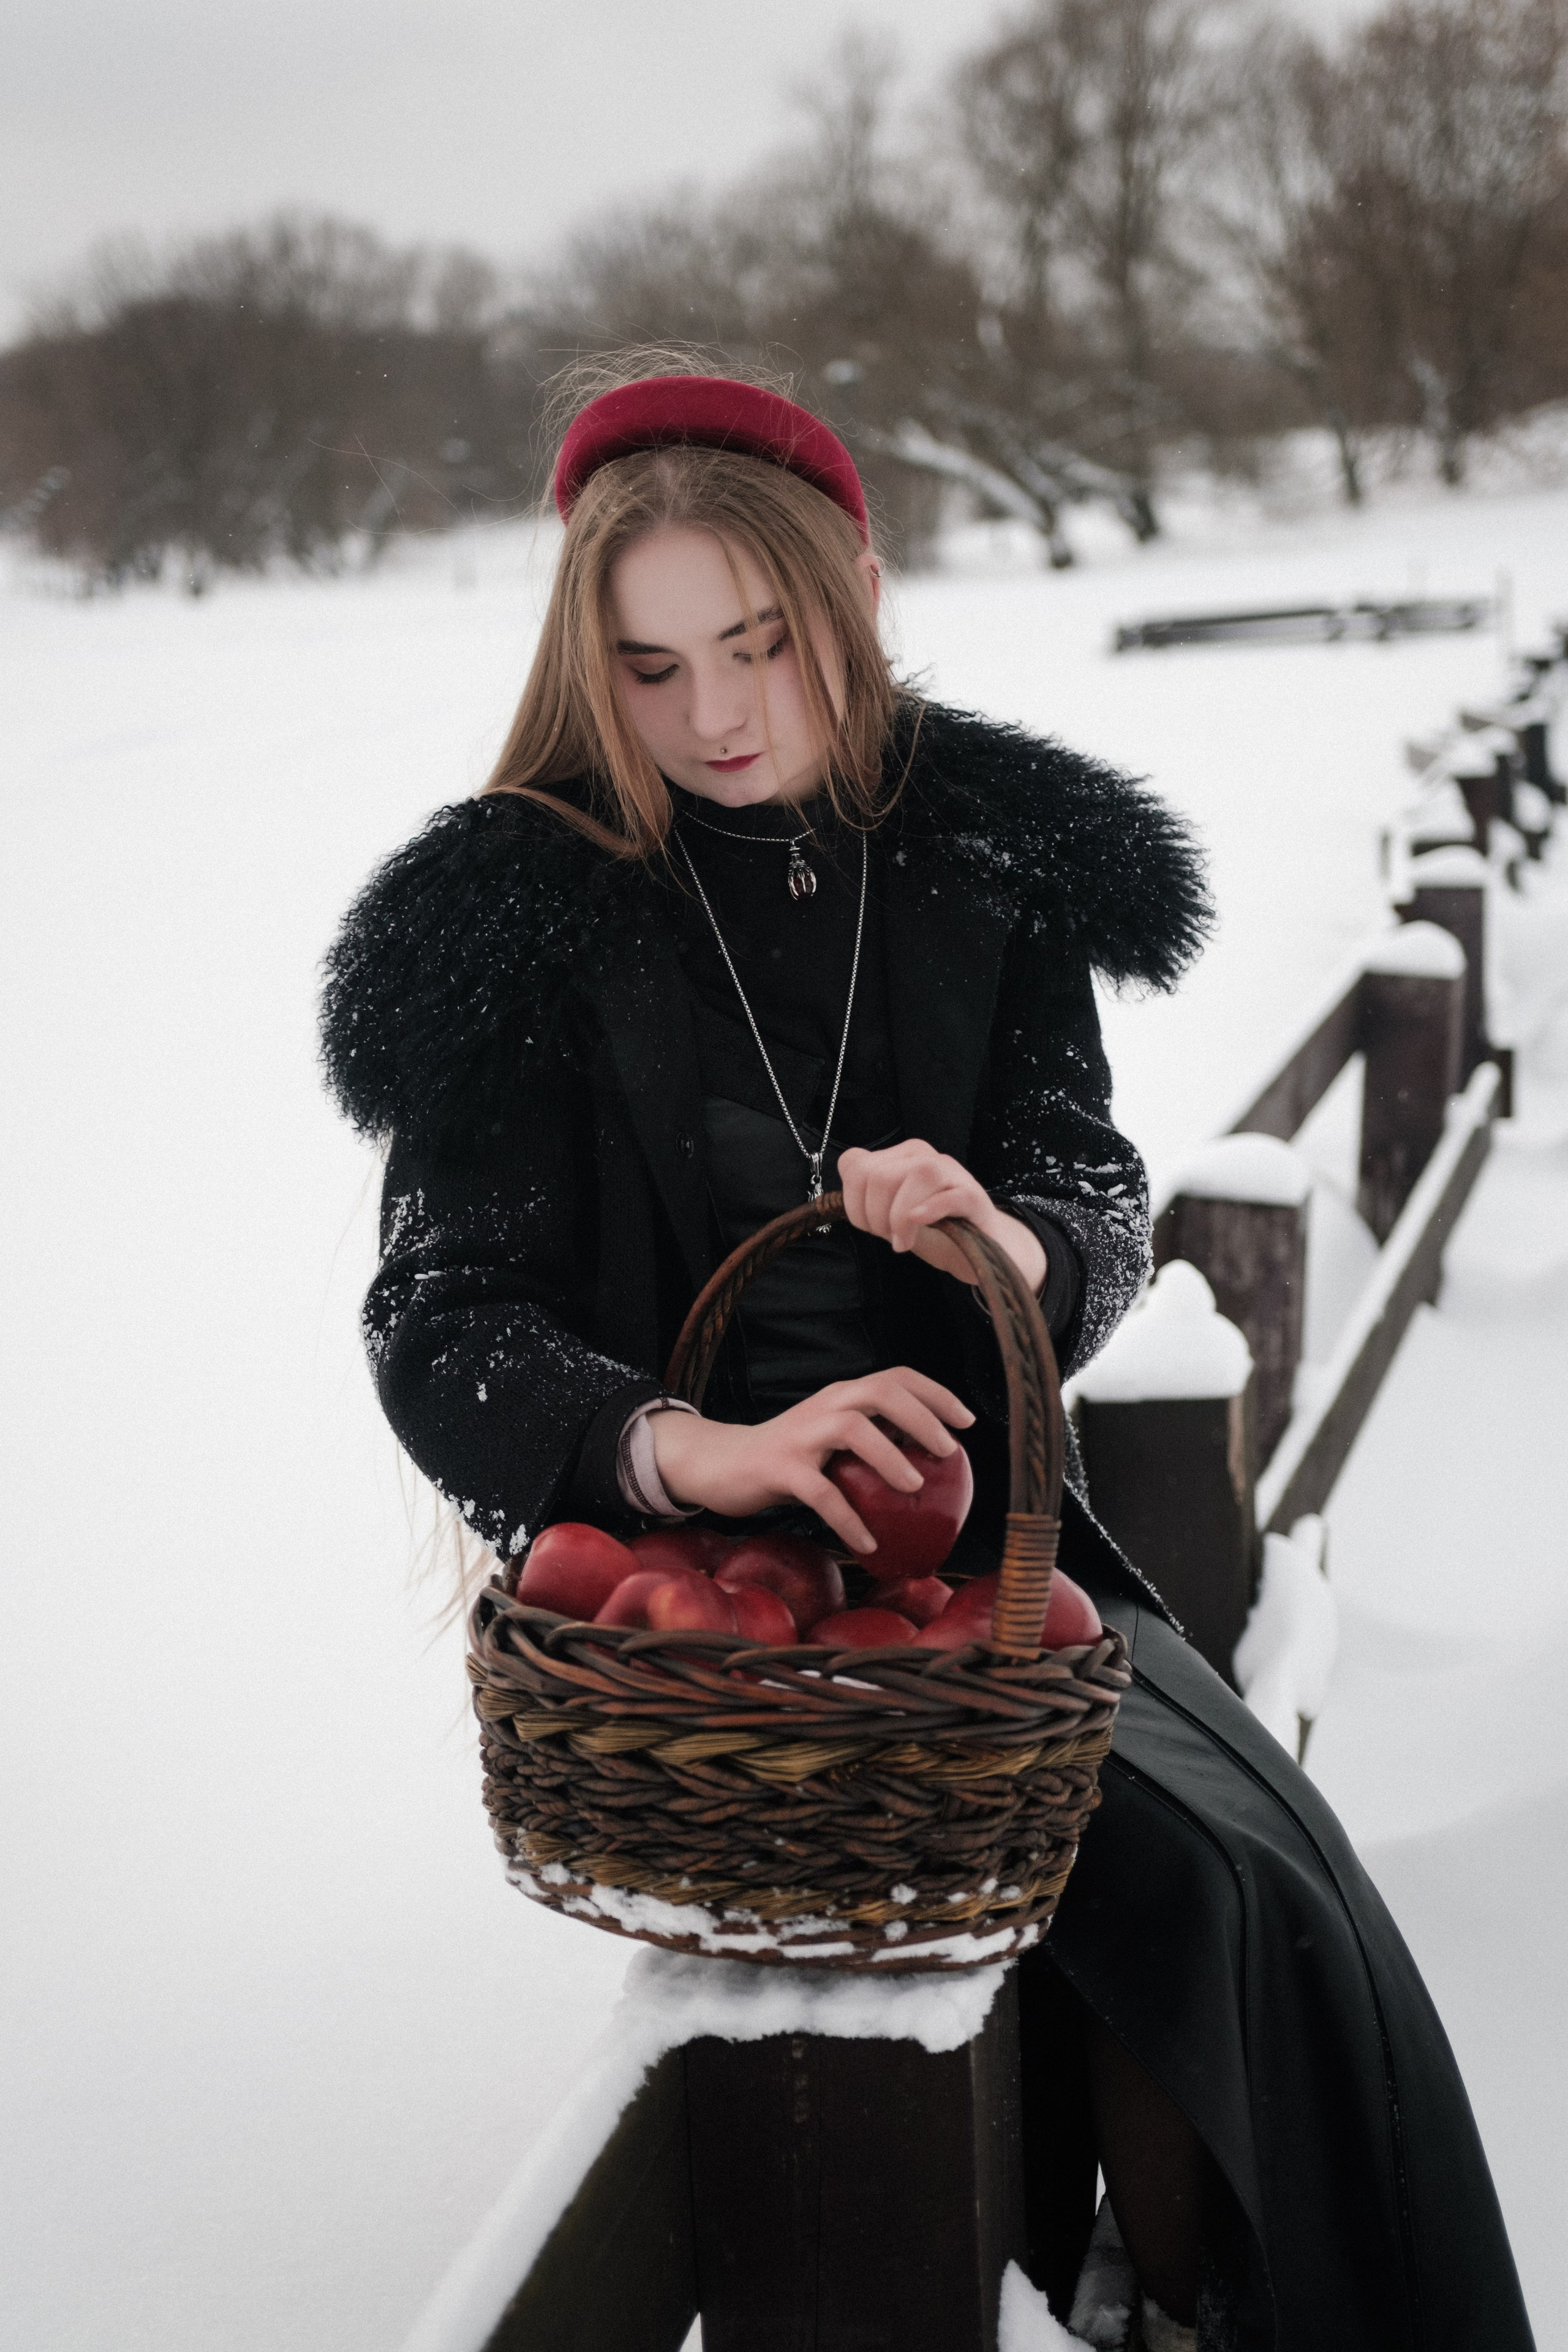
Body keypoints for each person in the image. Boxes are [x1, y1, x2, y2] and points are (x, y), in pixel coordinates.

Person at [320, 366, 1534, 2352]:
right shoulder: (514, 913)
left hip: (1002, 1545)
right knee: (1137, 1919)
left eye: (761, 644)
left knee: (1267, 1885)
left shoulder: (982, 850)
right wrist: (680, 1454)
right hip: (704, 1610)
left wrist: (1010, 1238)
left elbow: (1098, 1184)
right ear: (585, 667)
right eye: (648, 667)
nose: (713, 715)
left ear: (856, 595)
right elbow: (437, 1326)